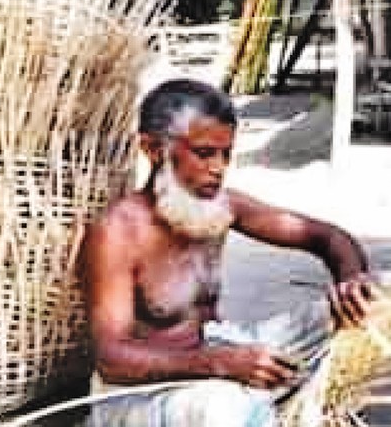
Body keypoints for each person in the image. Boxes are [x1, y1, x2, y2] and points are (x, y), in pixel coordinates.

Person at [83, 78, 382, 427]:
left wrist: (352, 283)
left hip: (220, 350)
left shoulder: (223, 206)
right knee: (225, 410)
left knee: (379, 301)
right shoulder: (116, 232)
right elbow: (112, 359)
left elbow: (329, 238)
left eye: (226, 154)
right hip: (142, 394)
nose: (219, 168)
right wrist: (220, 364)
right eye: (204, 153)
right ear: (152, 149)